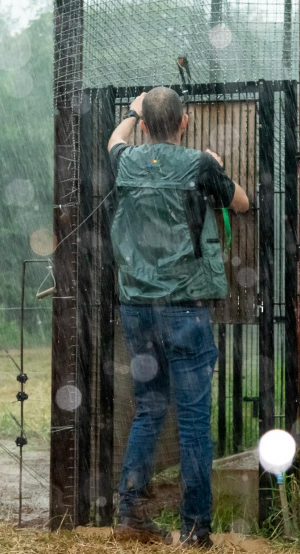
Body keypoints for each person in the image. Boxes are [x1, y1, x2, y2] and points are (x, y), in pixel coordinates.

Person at [106, 87, 249, 548]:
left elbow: (113, 141)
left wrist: (132, 109)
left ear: (144, 126)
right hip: (186, 308)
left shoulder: (126, 162)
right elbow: (242, 203)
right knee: (192, 420)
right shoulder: (198, 166)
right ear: (184, 123)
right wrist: (217, 167)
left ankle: (130, 513)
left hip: (136, 308)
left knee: (149, 406)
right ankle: (194, 528)